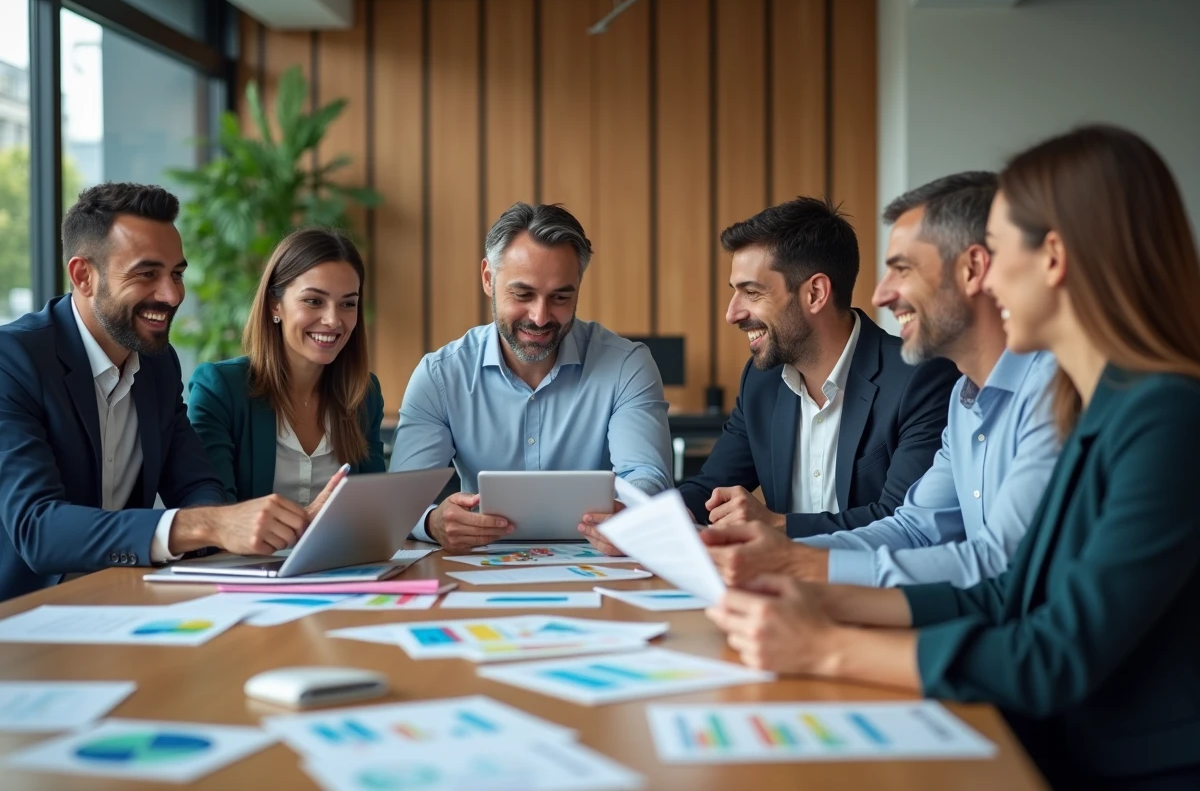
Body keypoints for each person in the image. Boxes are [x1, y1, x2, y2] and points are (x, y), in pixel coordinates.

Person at [707, 125, 1200, 789]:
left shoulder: (1162, 413)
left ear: (1051, 258)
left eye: (995, 251)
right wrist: (815, 593)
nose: (985, 278)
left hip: (1122, 766)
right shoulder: (1097, 401)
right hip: (1062, 739)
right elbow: (1009, 591)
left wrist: (827, 645)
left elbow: (1052, 651)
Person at [703, 173, 1060, 589]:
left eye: (902, 269)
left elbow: (996, 566)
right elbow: (914, 530)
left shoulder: (1050, 392)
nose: (880, 295)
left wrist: (794, 562)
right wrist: (784, 557)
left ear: (974, 269)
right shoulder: (965, 399)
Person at [0, 183, 324, 602]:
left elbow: (196, 484)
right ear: (84, 276)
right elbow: (37, 529)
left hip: (124, 598)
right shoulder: (14, 360)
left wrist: (246, 524)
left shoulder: (157, 364)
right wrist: (207, 525)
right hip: (26, 620)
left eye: (176, 274)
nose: (172, 295)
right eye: (146, 274)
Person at [389, 202, 672, 552]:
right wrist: (433, 523)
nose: (540, 317)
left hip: (602, 565)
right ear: (488, 279)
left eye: (560, 297)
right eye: (522, 294)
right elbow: (401, 498)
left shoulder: (627, 365)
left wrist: (630, 515)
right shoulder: (440, 375)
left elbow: (647, 476)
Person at [675, 197, 959, 538]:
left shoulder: (920, 378)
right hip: (778, 584)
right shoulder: (760, 381)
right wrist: (635, 519)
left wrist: (777, 526)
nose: (732, 313)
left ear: (815, 293)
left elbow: (902, 522)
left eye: (751, 292)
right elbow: (709, 490)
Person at [188, 227, 385, 508]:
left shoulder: (364, 394)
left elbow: (374, 510)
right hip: (245, 554)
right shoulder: (220, 388)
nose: (332, 320)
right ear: (274, 305)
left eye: (347, 304)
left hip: (341, 553)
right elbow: (213, 515)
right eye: (314, 301)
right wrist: (301, 524)